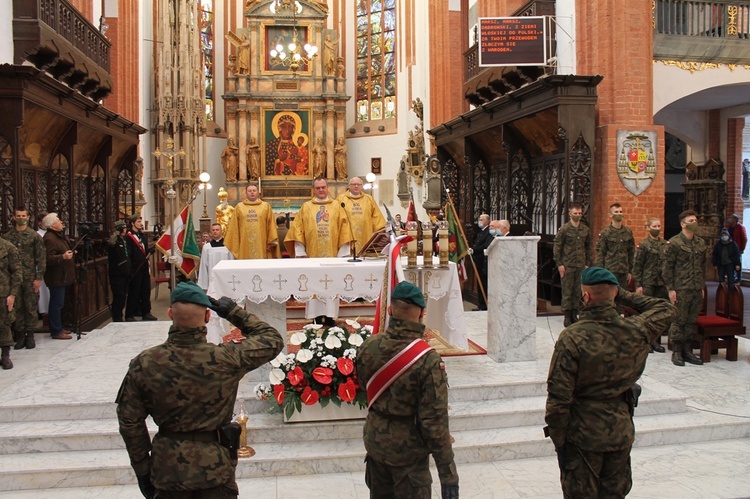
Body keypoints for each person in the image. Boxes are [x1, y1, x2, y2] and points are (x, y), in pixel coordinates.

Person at [116, 281, 284, 498]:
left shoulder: (145, 362)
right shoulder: (227, 358)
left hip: (168, 470)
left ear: (170, 314)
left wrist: (142, 470)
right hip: (215, 469)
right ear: (207, 317)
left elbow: (130, 422)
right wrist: (232, 312)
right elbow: (272, 339)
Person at [545, 267, 675, 499]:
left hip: (583, 433)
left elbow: (558, 398)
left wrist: (560, 440)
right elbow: (665, 307)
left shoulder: (573, 337)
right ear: (615, 294)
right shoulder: (637, 329)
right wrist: (621, 294)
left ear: (585, 297)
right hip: (620, 430)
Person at [356, 281, 459, 499]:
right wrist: (448, 475)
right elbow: (435, 423)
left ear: (390, 310)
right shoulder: (428, 360)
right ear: (422, 312)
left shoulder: (369, 346)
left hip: (376, 443)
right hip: (408, 454)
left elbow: (363, 385)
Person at [285, 177, 353, 324]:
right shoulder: (306, 207)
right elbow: (298, 229)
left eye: (323, 187)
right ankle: (315, 316)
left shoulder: (336, 206)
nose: (321, 190)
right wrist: (301, 252)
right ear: (313, 190)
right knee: (314, 283)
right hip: (312, 255)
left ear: (327, 187)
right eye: (318, 188)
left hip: (333, 255)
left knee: (331, 283)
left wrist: (343, 253)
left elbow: (344, 229)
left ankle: (330, 317)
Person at [664, 210, 706, 367]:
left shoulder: (700, 243)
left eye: (695, 219)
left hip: (695, 287)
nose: (695, 222)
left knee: (691, 320)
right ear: (683, 223)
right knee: (679, 320)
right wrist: (670, 289)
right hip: (680, 288)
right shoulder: (674, 243)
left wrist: (701, 286)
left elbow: (702, 266)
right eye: (691, 220)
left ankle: (688, 351)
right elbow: (667, 267)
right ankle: (676, 351)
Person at [3, 206, 45, 350]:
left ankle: (30, 335)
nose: (21, 218)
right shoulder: (7, 237)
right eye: (18, 216)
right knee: (17, 307)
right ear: (14, 218)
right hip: (13, 279)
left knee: (31, 306)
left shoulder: (34, 237)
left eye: (23, 216)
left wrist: (39, 278)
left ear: (28, 217)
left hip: (29, 277)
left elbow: (41, 259)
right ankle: (20, 335)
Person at [633, 217, 669, 353]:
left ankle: (656, 341)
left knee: (659, 313)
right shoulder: (644, 245)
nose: (657, 229)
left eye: (659, 226)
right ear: (648, 228)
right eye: (654, 226)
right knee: (648, 313)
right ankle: (646, 341)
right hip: (648, 282)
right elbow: (637, 266)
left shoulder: (665, 244)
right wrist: (639, 284)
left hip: (661, 283)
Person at [554, 203, 593, 327]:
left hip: (580, 265)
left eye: (579, 214)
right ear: (570, 214)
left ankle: (575, 314)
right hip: (567, 265)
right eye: (575, 213)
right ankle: (567, 315)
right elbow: (557, 247)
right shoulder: (564, 229)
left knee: (577, 291)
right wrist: (559, 264)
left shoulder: (585, 230)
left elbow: (588, 247)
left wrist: (587, 263)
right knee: (567, 291)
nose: (578, 215)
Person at [224, 183, 280, 260]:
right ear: (246, 193)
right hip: (244, 244)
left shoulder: (265, 206)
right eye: (250, 191)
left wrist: (270, 242)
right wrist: (236, 244)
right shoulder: (239, 207)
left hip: (262, 244)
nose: (252, 192)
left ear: (258, 192)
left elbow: (271, 224)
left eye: (254, 190)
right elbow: (234, 226)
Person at [42, 213, 75, 340]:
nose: (61, 222)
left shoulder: (59, 236)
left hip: (63, 275)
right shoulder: (49, 238)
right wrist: (63, 257)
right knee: (56, 304)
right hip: (56, 277)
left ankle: (59, 327)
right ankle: (56, 330)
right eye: (58, 221)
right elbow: (47, 258)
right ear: (52, 225)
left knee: (60, 303)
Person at [337, 176, 386, 256]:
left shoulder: (369, 199)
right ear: (349, 186)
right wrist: (344, 236)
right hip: (348, 240)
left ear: (362, 186)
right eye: (354, 184)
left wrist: (381, 232)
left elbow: (377, 218)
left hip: (366, 235)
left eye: (358, 184)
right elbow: (339, 219)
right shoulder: (341, 199)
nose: (356, 186)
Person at [125, 214, 157, 322]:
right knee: (134, 291)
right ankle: (129, 314)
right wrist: (130, 269)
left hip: (144, 267)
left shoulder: (143, 236)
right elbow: (128, 254)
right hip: (135, 268)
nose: (140, 224)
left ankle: (146, 312)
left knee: (145, 291)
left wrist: (150, 251)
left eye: (140, 221)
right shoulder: (128, 237)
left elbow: (144, 251)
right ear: (132, 223)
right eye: (138, 222)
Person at [595, 202, 635, 289]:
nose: (619, 214)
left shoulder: (628, 232)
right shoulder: (605, 233)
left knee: (623, 297)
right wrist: (600, 272)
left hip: (624, 271)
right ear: (610, 215)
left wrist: (630, 271)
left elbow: (631, 252)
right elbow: (600, 254)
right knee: (610, 296)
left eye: (620, 212)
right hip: (610, 270)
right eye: (616, 212)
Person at [0, 235, 20, 369]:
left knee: (4, 323)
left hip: (3, 292)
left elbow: (17, 272)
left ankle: (5, 355)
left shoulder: (8, 247)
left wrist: (12, 294)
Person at [467, 214, 493, 311]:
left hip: (483, 261)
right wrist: (472, 249)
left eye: (481, 220)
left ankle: (485, 304)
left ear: (487, 221)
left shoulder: (488, 232)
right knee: (480, 282)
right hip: (478, 260)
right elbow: (477, 243)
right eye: (479, 219)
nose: (480, 221)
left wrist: (475, 250)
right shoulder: (482, 232)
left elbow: (484, 246)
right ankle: (481, 303)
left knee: (484, 283)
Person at [108, 220, 131, 323]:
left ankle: (120, 315)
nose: (125, 230)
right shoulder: (114, 242)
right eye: (124, 228)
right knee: (118, 296)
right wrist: (116, 233)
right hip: (117, 274)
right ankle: (116, 318)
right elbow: (112, 246)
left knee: (123, 297)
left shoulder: (124, 240)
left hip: (125, 272)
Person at [35, 212, 50, 316]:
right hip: (40, 265)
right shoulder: (37, 235)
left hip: (51, 266)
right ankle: (43, 312)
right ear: (40, 223)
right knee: (43, 290)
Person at [726, 213, 746, 281]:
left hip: (737, 248)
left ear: (735, 219)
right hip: (729, 248)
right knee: (730, 263)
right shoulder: (728, 227)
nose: (729, 218)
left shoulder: (740, 227)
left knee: (737, 263)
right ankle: (731, 277)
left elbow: (744, 238)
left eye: (731, 217)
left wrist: (742, 248)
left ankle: (738, 278)